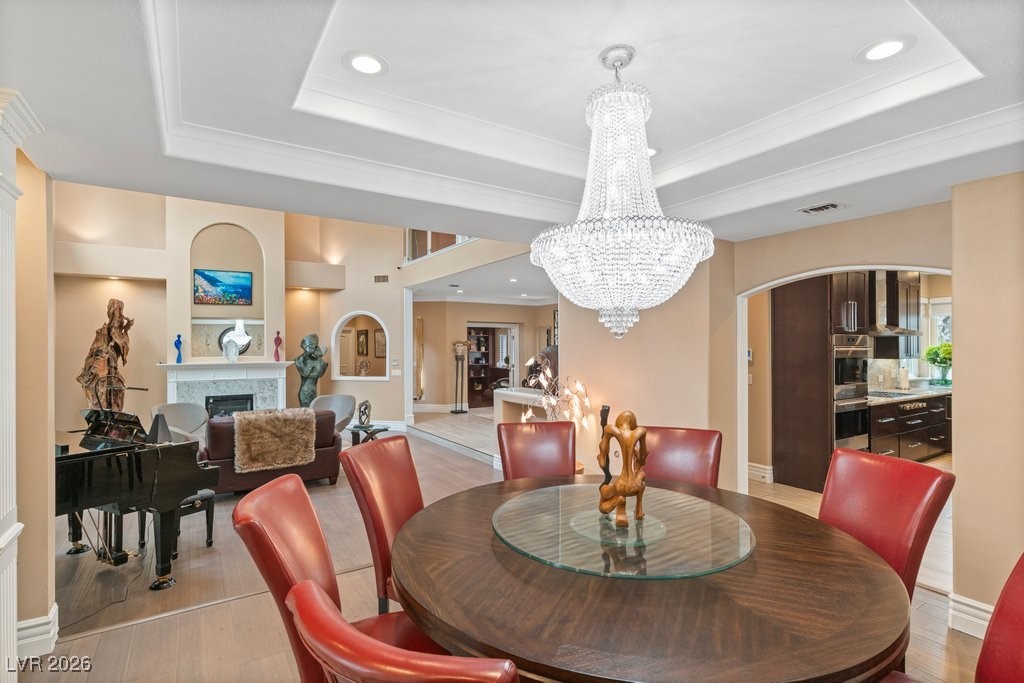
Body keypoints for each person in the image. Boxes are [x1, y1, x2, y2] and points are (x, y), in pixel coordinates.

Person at [294, 333, 328, 407]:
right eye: (312, 346)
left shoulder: (317, 359)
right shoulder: (300, 360)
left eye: (315, 346)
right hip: (305, 391)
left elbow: (320, 372)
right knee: (307, 413)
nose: (315, 348)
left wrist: (319, 356)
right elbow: (306, 373)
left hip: (313, 391)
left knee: (312, 413)